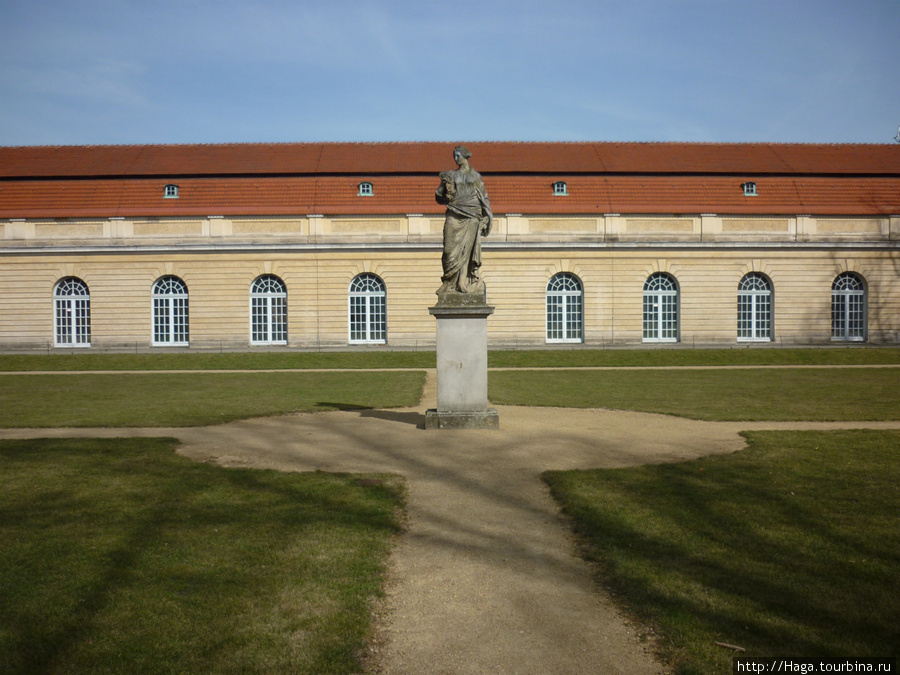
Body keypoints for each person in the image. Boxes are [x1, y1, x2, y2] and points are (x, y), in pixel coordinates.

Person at [435, 146, 493, 294]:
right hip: (454, 213)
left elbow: (484, 197)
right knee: (448, 250)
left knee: (466, 251)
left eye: (458, 156)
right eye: (454, 156)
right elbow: (439, 197)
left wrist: (486, 216)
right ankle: (448, 282)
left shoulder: (476, 176)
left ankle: (462, 281)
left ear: (466, 156)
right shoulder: (451, 175)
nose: (456, 159)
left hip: (472, 215)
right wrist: (443, 188)